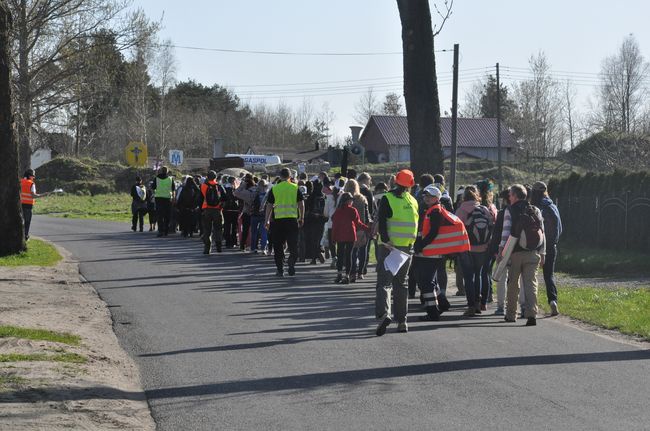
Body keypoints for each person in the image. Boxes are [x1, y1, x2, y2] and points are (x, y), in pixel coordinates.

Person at [413, 185, 470, 321]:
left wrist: (421, 245)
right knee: (430, 281)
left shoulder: (435, 211)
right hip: (432, 252)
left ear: (437, 198)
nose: (427, 198)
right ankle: (443, 303)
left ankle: (432, 312)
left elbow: (433, 233)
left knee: (426, 282)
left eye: (430, 196)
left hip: (431, 252)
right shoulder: (434, 209)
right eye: (426, 195)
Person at [375, 169, 419, 336]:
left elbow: (382, 222)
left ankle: (384, 315)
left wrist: (386, 241)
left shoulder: (387, 198)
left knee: (384, 283)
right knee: (402, 284)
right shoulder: (413, 201)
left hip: (389, 247)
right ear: (410, 185)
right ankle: (402, 321)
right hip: (407, 249)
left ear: (395, 181)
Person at [505, 184, 546, 326]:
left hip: (515, 253)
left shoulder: (510, 210)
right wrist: (542, 253)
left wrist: (502, 253)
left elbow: (506, 234)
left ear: (515, 196)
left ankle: (511, 314)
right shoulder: (535, 210)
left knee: (513, 285)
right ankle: (532, 314)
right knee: (531, 284)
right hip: (533, 252)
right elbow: (542, 232)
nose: (509, 197)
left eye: (510, 194)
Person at [455, 185, 495, 316]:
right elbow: (491, 227)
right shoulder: (483, 209)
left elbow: (456, 230)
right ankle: (481, 303)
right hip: (483, 249)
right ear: (477, 195)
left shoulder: (461, 210)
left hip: (466, 248)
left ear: (464, 196)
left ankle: (471, 305)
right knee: (479, 275)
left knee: (468, 277)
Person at [264, 168, 305, 277]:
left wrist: (267, 220)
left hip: (278, 221)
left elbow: (269, 205)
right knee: (293, 244)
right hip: (292, 220)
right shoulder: (295, 188)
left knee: (278, 246)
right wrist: (301, 218)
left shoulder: (275, 188)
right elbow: (301, 204)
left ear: (280, 176)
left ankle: (280, 269)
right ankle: (291, 261)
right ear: (290, 176)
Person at [531, 181, 562, 316]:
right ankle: (553, 301)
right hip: (551, 246)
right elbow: (560, 228)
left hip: (535, 246)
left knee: (530, 277)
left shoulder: (533, 207)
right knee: (549, 275)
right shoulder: (553, 206)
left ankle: (531, 305)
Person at [331, 192, 370, 284]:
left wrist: (333, 238)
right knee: (349, 255)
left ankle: (339, 274)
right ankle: (347, 275)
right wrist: (368, 229)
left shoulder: (338, 211)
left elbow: (334, 225)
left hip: (340, 236)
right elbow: (358, 223)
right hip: (350, 236)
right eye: (351, 200)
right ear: (348, 201)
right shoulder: (353, 210)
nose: (352, 202)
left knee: (340, 255)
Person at [488, 190, 511, 315]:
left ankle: (501, 306)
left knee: (502, 279)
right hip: (518, 250)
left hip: (504, 249)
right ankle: (519, 306)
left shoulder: (503, 213)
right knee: (516, 280)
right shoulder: (522, 210)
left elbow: (497, 233)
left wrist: (495, 251)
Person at [343, 179, 370, 282]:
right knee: (363, 250)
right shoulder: (363, 199)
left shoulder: (345, 199)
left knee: (351, 251)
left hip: (350, 227)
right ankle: (361, 272)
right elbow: (367, 214)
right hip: (361, 227)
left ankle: (352, 272)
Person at [201, 171, 227, 254]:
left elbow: (199, 198)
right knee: (218, 229)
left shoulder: (203, 186)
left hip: (207, 210)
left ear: (207, 177)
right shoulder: (219, 186)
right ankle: (219, 247)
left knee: (207, 229)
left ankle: (207, 248)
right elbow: (225, 197)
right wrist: (221, 206)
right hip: (217, 210)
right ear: (215, 177)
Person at [303, 180, 327, 264]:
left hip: (312, 220)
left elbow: (307, 209)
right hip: (322, 219)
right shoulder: (324, 196)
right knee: (320, 237)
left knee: (312, 239)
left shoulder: (311, 197)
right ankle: (320, 250)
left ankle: (313, 258)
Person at [20, 169, 45, 240]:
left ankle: (19, 235)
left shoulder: (20, 181)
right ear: (29, 176)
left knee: (20, 221)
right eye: (32, 176)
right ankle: (25, 236)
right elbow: (33, 195)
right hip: (28, 205)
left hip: (20, 205)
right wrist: (43, 195)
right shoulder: (31, 184)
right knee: (27, 222)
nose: (33, 178)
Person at [234, 174, 257, 251]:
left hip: (247, 212)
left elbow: (236, 193)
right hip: (256, 212)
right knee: (255, 230)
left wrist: (243, 185)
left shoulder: (246, 192)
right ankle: (255, 246)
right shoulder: (257, 190)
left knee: (245, 230)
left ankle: (242, 245)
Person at [151, 166, 175, 237]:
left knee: (160, 215)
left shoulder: (156, 178)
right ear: (167, 171)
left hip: (158, 198)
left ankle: (160, 231)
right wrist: (173, 197)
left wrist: (155, 193)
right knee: (167, 215)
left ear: (161, 171)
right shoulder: (170, 179)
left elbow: (153, 188)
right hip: (168, 198)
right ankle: (166, 231)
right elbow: (173, 189)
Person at [249, 179, 269, 254]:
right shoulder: (267, 194)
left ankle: (253, 248)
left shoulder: (254, 193)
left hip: (254, 214)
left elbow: (250, 202)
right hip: (264, 215)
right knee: (264, 232)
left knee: (253, 232)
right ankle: (264, 248)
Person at [222, 176, 240, 248]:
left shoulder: (224, 188)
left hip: (226, 209)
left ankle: (227, 242)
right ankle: (233, 242)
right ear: (233, 181)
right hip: (235, 210)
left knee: (227, 226)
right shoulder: (235, 189)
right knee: (234, 227)